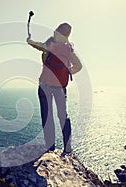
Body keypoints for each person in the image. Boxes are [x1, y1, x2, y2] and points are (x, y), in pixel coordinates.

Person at [27, 23, 82, 154]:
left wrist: (29, 40)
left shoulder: (49, 45)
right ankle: (67, 148)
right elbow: (78, 66)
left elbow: (36, 44)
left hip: (44, 85)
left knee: (47, 117)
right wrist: (67, 73)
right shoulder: (69, 49)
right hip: (60, 87)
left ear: (57, 31)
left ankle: (50, 147)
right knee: (63, 116)